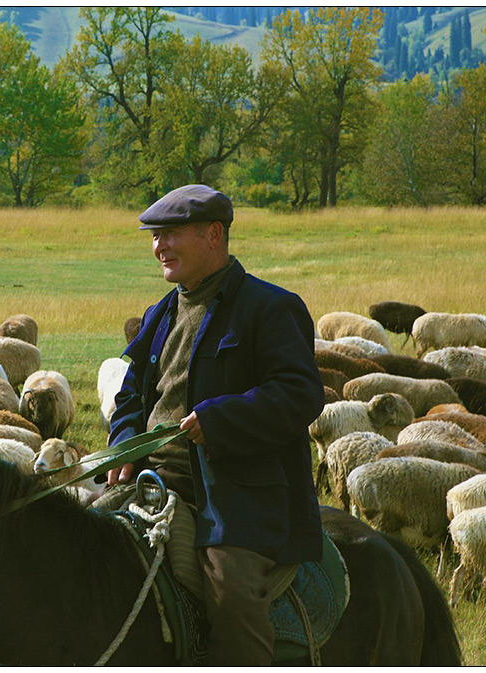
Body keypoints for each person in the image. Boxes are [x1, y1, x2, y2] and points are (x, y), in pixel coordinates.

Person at [106, 184, 325, 665]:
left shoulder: (270, 307)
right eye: (154, 235)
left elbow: (300, 393)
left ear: (213, 235)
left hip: (236, 498)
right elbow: (128, 395)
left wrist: (221, 419)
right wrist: (125, 445)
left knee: (232, 597)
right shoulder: (159, 313)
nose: (159, 246)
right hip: (153, 481)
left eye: (171, 233)